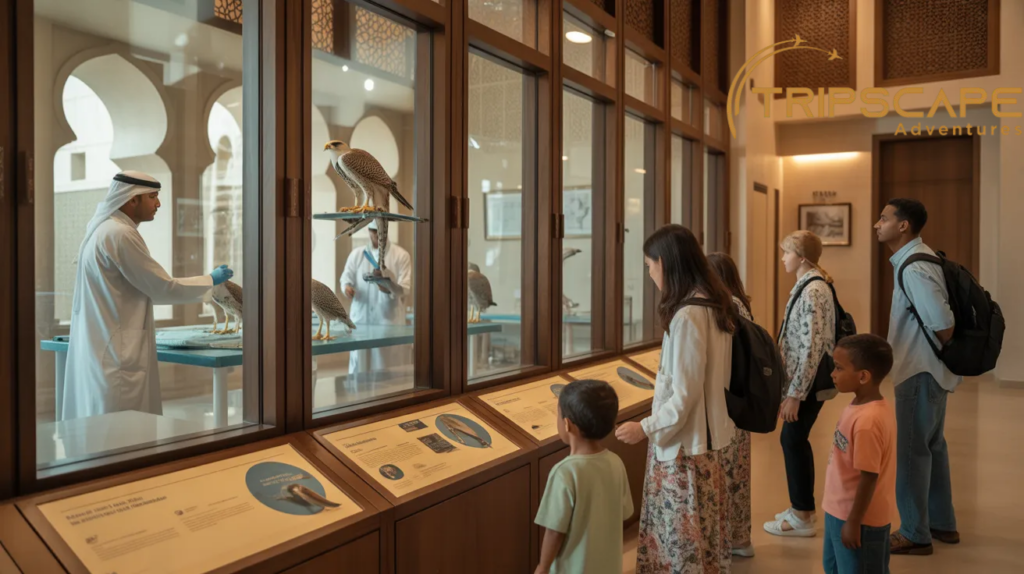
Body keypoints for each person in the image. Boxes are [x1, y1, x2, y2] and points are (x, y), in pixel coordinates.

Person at [615, 224, 737, 573]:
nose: (649, 273)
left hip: (684, 446)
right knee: (702, 533)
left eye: (650, 266)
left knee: (679, 538)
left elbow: (684, 395)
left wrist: (644, 427)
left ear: (665, 264)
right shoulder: (715, 306)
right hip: (707, 439)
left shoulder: (688, 316)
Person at [63, 171, 231, 420]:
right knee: (121, 431)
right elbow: (161, 287)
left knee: (105, 426)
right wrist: (210, 280)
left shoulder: (106, 230)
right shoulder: (120, 234)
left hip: (105, 344)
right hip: (116, 354)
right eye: (153, 197)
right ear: (132, 199)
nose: (158, 204)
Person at [874, 198, 960, 556]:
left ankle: (914, 531)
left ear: (903, 225)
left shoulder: (913, 267)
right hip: (930, 370)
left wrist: (936, 352)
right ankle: (941, 522)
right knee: (932, 447)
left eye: (883, 218)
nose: (877, 224)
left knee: (912, 452)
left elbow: (942, 324)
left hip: (919, 370)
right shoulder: (919, 258)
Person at [765, 230, 837, 537]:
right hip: (800, 383)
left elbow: (812, 345)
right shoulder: (809, 285)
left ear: (802, 257)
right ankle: (801, 509)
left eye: (786, 252)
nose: (782, 258)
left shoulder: (813, 291)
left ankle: (803, 515)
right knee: (793, 440)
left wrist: (795, 393)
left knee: (792, 440)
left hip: (804, 384)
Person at [535, 379, 633, 574]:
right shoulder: (616, 462)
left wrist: (543, 567)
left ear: (567, 424)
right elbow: (625, 513)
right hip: (609, 566)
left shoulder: (564, 472)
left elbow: (554, 531)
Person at [822, 334, 897, 573]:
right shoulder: (858, 405)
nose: (833, 374)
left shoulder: (868, 422)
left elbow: (869, 476)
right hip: (838, 510)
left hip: (860, 520)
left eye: (839, 368)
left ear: (863, 376)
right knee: (834, 567)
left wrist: (853, 522)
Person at [707, 252, 754, 558]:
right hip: (740, 399)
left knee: (730, 471)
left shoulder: (729, 307)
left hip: (730, 400)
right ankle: (739, 536)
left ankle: (735, 539)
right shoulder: (741, 303)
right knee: (737, 471)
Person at [340, 219, 413, 376]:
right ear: (369, 231)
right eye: (374, 232)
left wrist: (387, 286)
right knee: (359, 373)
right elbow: (345, 278)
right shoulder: (357, 255)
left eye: (380, 232)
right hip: (360, 322)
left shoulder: (401, 256)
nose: (377, 236)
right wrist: (347, 288)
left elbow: (405, 289)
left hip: (387, 323)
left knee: (386, 375)